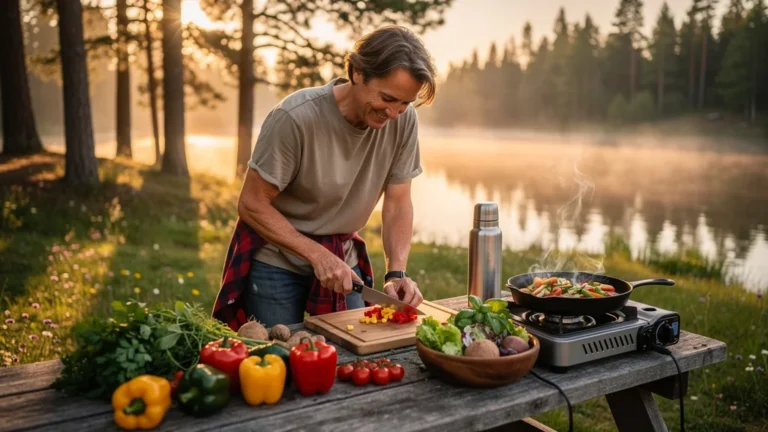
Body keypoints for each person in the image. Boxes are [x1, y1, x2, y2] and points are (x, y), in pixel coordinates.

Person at [212, 25, 438, 330]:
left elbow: (398, 203)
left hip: (343, 260)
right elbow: (252, 203)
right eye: (387, 98)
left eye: (405, 103)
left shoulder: (403, 121)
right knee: (278, 351)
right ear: (357, 72)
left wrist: (396, 273)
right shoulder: (295, 117)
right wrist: (316, 255)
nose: (394, 114)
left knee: (354, 347)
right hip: (277, 261)